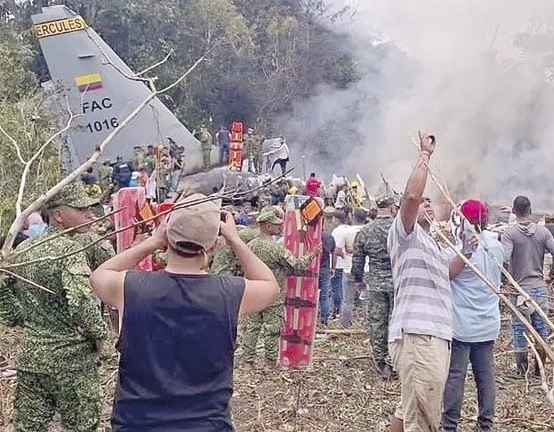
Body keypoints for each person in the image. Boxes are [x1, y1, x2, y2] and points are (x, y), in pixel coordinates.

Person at [90, 194, 281, 430]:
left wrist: (150, 242)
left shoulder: (131, 288)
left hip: (138, 423)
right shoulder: (229, 293)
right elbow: (270, 286)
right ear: (212, 245)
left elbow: (98, 275)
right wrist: (235, 239)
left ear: (167, 237)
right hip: (207, 424)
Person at [0, 181, 108, 431]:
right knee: (81, 426)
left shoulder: (24, 249)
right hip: (72, 362)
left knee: (29, 428)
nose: (88, 214)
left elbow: (12, 313)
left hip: (32, 359)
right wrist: (101, 337)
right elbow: (82, 302)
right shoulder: (69, 251)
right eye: (81, 210)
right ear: (58, 215)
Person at [387, 131, 452, 432]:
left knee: (408, 409)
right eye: (422, 201)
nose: (426, 203)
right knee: (423, 420)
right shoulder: (405, 235)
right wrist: (425, 157)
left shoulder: (432, 243)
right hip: (419, 335)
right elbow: (411, 196)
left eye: (431, 201)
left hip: (431, 336)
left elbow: (449, 274)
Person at [441, 199, 502, 432]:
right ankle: (486, 424)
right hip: (488, 322)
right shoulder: (495, 246)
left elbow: (447, 274)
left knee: (456, 376)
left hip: (461, 325)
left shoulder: (458, 251)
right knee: (485, 375)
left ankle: (449, 425)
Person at [244, 206, 319, 361]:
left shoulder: (249, 245)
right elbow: (296, 265)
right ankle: (270, 360)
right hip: (272, 294)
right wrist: (313, 254)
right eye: (277, 225)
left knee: (252, 327)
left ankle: (248, 358)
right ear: (268, 226)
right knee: (272, 330)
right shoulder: (275, 248)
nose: (280, 227)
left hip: (252, 291)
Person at [501, 195, 554, 377]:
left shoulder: (509, 234)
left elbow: (504, 258)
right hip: (539, 287)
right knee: (540, 326)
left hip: (520, 289)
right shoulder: (543, 232)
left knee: (519, 327)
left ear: (513, 210)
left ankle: (521, 370)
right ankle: (540, 369)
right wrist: (551, 276)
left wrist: (506, 281)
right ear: (530, 210)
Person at [352, 195, 396, 378]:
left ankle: (381, 362)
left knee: (377, 323)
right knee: (397, 323)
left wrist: (359, 279)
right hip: (398, 283)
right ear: (393, 208)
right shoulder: (398, 229)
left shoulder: (365, 231)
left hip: (376, 283)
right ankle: (395, 360)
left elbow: (357, 261)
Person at [338, 208, 367, 328]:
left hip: (349, 268)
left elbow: (338, 249)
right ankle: (367, 325)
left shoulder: (347, 232)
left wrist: (347, 255)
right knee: (367, 300)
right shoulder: (368, 230)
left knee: (347, 300)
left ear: (353, 217)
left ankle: (346, 325)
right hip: (366, 268)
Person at [319, 208, 337, 325]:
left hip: (309, 269)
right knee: (324, 295)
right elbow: (333, 252)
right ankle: (324, 319)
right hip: (325, 268)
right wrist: (333, 267)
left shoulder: (307, 235)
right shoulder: (328, 236)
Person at [330, 211, 349, 319]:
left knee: (336, 288)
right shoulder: (349, 229)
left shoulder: (337, 232)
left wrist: (333, 266)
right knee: (344, 289)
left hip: (338, 264)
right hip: (348, 264)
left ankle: (338, 310)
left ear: (337, 220)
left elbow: (335, 250)